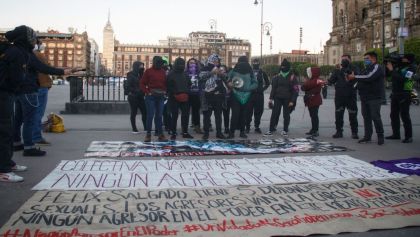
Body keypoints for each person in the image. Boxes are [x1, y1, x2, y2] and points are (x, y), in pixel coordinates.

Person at [0, 26, 73, 182]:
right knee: (5, 130)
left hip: (12, 93)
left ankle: (8, 163)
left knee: (10, 127)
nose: (35, 41)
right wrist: (22, 87)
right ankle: (3, 170)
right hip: (5, 94)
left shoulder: (24, 53)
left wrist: (63, 72)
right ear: (24, 39)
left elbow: (41, 67)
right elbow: (14, 76)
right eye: (31, 37)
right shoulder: (15, 53)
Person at [348, 51, 385, 145]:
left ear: (373, 59)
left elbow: (369, 77)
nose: (365, 61)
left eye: (367, 59)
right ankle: (367, 136)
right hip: (365, 97)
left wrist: (355, 76)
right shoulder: (366, 68)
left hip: (374, 97)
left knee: (375, 116)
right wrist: (355, 84)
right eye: (364, 59)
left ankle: (380, 136)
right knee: (366, 117)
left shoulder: (377, 67)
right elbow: (361, 80)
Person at [385, 53, 416, 143]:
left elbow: (403, 79)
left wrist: (392, 70)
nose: (402, 60)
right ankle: (396, 134)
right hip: (395, 93)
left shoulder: (411, 68)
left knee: (404, 115)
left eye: (404, 59)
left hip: (405, 93)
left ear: (408, 60)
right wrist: (388, 68)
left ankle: (408, 136)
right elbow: (390, 77)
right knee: (393, 115)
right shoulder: (399, 67)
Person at [328, 54, 359, 139]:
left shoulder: (354, 68)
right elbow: (331, 80)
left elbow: (357, 77)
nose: (343, 61)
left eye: (345, 59)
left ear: (349, 60)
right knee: (338, 114)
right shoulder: (338, 70)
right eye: (342, 60)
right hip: (339, 96)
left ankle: (354, 132)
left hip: (350, 95)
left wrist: (348, 72)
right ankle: (339, 131)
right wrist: (335, 71)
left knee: (352, 114)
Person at [265, 59, 298, 136]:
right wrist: (270, 99)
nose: (283, 68)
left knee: (286, 115)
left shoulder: (292, 77)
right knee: (274, 113)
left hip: (288, 99)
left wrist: (292, 101)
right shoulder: (277, 76)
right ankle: (271, 128)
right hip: (277, 98)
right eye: (282, 66)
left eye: (284, 66)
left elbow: (295, 90)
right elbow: (273, 89)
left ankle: (285, 129)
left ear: (288, 67)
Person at [227, 56, 258, 139]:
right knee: (235, 114)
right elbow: (227, 79)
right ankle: (231, 132)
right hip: (235, 95)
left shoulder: (251, 72)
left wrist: (249, 88)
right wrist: (229, 84)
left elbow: (255, 83)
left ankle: (242, 132)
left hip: (247, 96)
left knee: (244, 115)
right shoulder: (233, 71)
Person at [140, 56, 168, 142]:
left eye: (162, 63)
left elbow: (166, 83)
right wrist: (147, 92)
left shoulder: (163, 72)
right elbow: (142, 83)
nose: (161, 64)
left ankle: (160, 134)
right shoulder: (148, 71)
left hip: (160, 96)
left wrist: (165, 91)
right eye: (159, 62)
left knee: (159, 116)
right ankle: (148, 134)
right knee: (150, 115)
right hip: (151, 96)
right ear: (155, 62)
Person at [199, 54, 226, 140]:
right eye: (214, 61)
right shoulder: (205, 68)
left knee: (218, 116)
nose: (216, 63)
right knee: (207, 115)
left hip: (218, 96)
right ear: (210, 61)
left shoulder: (220, 69)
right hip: (207, 96)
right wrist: (211, 72)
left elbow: (226, 79)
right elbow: (201, 77)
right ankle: (206, 133)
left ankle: (219, 133)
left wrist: (222, 74)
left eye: (217, 61)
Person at [32, 39, 54, 145]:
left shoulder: (24, 54)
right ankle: (36, 137)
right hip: (41, 86)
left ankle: (17, 140)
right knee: (38, 113)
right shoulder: (39, 55)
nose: (42, 46)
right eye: (41, 44)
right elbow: (47, 69)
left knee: (23, 115)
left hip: (29, 88)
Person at [167, 57, 193, 140]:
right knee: (174, 116)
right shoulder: (171, 74)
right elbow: (168, 86)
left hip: (185, 97)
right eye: (180, 64)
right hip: (174, 97)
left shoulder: (185, 74)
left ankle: (185, 132)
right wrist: (174, 94)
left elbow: (189, 84)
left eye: (183, 64)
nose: (182, 65)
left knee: (185, 115)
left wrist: (186, 92)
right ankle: (173, 132)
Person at [246, 58, 270, 134]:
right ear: (252, 63)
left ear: (259, 63)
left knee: (258, 111)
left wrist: (262, 89)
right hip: (250, 95)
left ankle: (257, 127)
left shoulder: (262, 72)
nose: (255, 63)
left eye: (257, 62)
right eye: (254, 62)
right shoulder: (249, 72)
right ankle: (247, 127)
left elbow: (267, 83)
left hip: (259, 95)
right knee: (248, 112)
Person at [301, 67, 324, 137]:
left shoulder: (317, 80)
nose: (308, 74)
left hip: (315, 100)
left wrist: (305, 85)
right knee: (312, 115)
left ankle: (315, 130)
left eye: (309, 72)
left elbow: (307, 85)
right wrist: (305, 86)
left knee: (314, 115)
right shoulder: (313, 80)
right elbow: (304, 87)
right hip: (311, 100)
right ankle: (313, 129)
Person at [126, 61, 146, 133]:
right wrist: (136, 91)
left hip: (140, 97)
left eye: (142, 66)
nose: (142, 68)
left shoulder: (142, 75)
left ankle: (145, 127)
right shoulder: (131, 75)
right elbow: (128, 87)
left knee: (144, 112)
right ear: (136, 67)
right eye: (140, 66)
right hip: (133, 97)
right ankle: (134, 129)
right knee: (134, 112)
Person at [186, 58, 203, 134]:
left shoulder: (199, 73)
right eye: (190, 63)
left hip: (196, 94)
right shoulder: (185, 73)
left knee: (196, 112)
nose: (192, 64)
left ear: (196, 64)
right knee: (186, 112)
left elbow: (202, 83)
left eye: (194, 63)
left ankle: (197, 127)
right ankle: (185, 127)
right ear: (188, 64)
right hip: (188, 94)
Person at [220, 65, 231, 134]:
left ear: (225, 70)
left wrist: (230, 89)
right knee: (218, 115)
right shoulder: (217, 77)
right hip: (219, 98)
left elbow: (231, 86)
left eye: (223, 70)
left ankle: (226, 128)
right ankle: (219, 129)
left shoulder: (228, 77)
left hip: (227, 98)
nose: (221, 71)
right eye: (220, 70)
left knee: (226, 114)